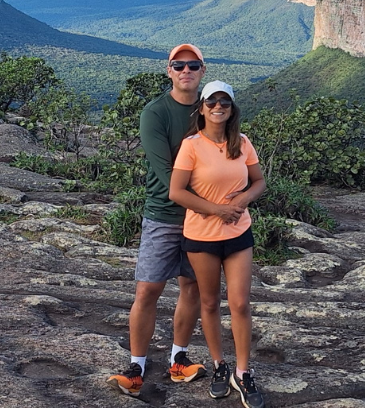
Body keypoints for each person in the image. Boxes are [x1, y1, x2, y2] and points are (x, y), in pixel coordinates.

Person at [108, 43, 227, 397]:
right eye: (179, 65)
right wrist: (213, 204)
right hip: (165, 214)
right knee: (148, 289)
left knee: (191, 287)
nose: (186, 71)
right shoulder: (155, 112)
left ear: (203, 71)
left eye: (193, 65)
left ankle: (179, 360)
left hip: (202, 220)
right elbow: (164, 172)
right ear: (169, 70)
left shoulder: (212, 110)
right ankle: (136, 365)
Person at [169, 81, 267, 408]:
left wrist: (241, 200)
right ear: (202, 108)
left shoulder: (242, 143)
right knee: (209, 303)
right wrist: (217, 209)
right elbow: (177, 192)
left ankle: (243, 371)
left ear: (232, 108)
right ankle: (218, 365)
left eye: (224, 101)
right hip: (201, 237)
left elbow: (259, 182)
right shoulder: (192, 146)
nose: (218, 106)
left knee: (239, 303)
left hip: (238, 234)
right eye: (212, 101)